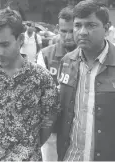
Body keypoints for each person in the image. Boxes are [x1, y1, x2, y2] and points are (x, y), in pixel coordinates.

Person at [0, 8, 60, 161]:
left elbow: (49, 119)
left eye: (4, 45)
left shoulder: (41, 78)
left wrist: (28, 148)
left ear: (21, 40)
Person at [57, 0, 115, 161]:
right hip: (71, 156)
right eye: (78, 25)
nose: (82, 32)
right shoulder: (67, 61)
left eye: (91, 25)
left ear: (107, 28)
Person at [37, 6, 77, 161]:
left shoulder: (88, 56)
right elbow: (39, 92)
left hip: (79, 126)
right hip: (53, 127)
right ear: (57, 29)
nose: (68, 36)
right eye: (63, 31)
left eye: (72, 30)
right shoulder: (46, 55)